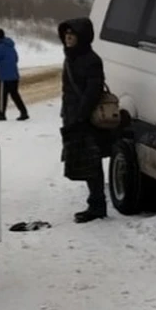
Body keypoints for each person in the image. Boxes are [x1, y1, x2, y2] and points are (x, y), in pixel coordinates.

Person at [58, 17, 112, 223]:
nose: (68, 38)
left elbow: (93, 91)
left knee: (92, 161)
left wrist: (81, 116)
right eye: (66, 34)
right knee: (83, 160)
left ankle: (97, 206)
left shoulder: (91, 60)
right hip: (73, 116)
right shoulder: (70, 57)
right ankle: (95, 203)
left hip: (86, 119)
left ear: (82, 37)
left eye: (72, 35)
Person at [0, 28, 29, 121]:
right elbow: (16, 58)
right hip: (14, 75)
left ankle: (1, 114)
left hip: (4, 76)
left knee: (2, 96)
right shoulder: (10, 46)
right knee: (15, 94)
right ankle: (24, 112)